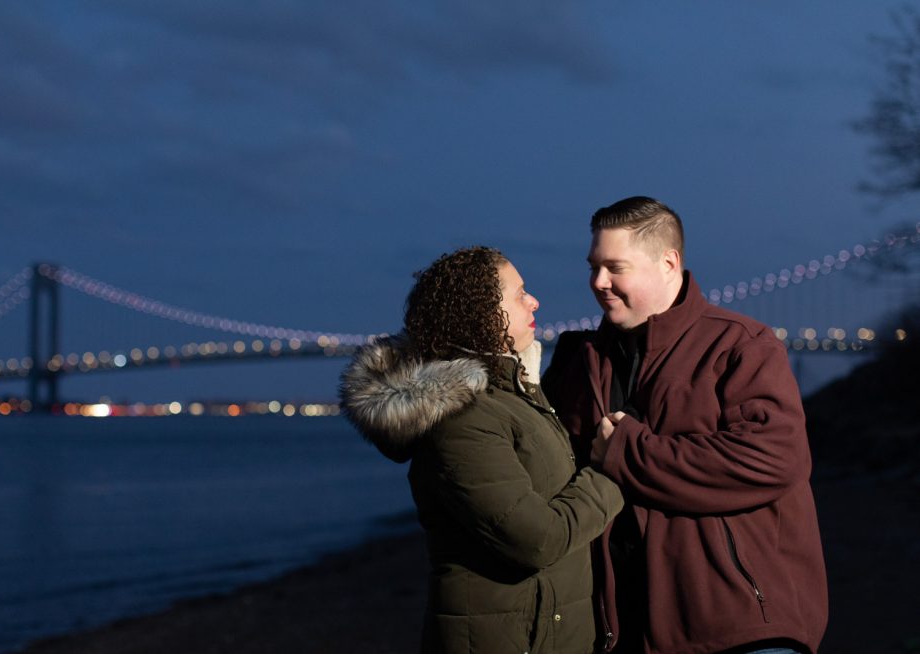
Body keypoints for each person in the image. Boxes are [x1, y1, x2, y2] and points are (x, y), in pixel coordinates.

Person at [542, 197, 828, 654]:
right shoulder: (579, 360)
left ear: (669, 263)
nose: (598, 282)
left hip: (739, 628)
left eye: (615, 268)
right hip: (620, 632)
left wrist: (627, 453)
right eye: (594, 267)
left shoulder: (740, 345)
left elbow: (774, 459)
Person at [340, 246, 623, 654]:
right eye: (519, 293)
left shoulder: (514, 395)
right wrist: (609, 472)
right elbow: (537, 542)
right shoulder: (463, 419)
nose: (534, 301)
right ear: (482, 312)